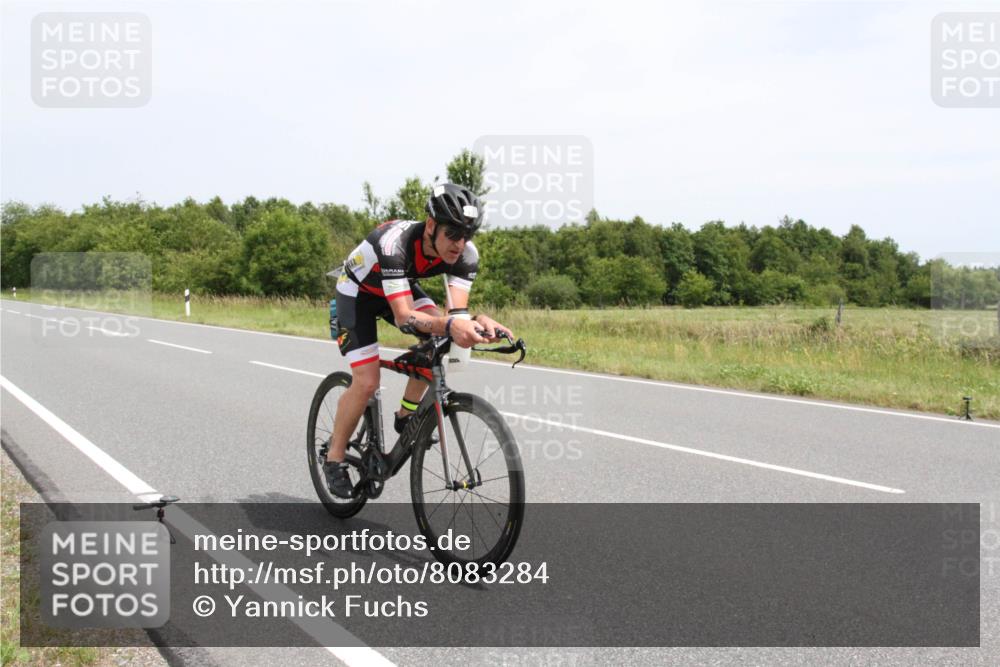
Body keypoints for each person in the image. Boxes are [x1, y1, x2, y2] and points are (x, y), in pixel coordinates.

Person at [324, 183, 513, 498]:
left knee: (440, 336)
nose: (460, 243)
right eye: (452, 233)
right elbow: (403, 316)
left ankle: (406, 415)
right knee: (367, 381)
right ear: (430, 225)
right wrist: (450, 325)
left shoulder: (465, 254)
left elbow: (457, 314)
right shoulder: (393, 244)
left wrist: (479, 321)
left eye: (467, 234)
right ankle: (334, 457)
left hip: (398, 286)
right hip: (357, 293)